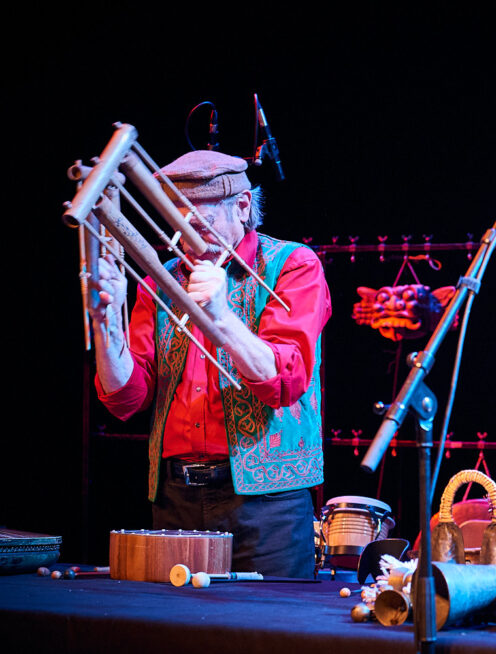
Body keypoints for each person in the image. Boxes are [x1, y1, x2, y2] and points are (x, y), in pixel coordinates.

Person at [87, 150, 331, 578]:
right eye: (176, 216)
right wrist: (106, 325)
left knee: (269, 636)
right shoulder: (159, 282)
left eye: (198, 218)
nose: (185, 228)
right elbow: (127, 398)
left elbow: (285, 381)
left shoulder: (291, 265)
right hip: (175, 496)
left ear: (241, 207)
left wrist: (221, 315)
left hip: (265, 506)